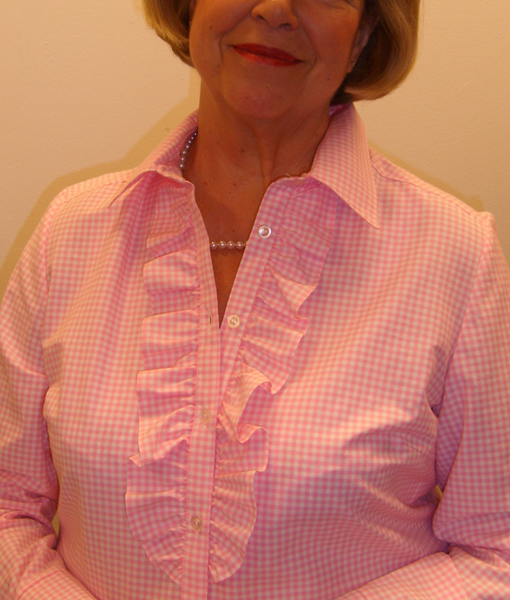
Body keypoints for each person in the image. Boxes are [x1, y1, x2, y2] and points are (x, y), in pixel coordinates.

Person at [1, 0, 509, 597]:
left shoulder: (455, 255)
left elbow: (496, 549)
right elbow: (9, 505)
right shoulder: (71, 234)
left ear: (365, 31)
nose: (275, 9)